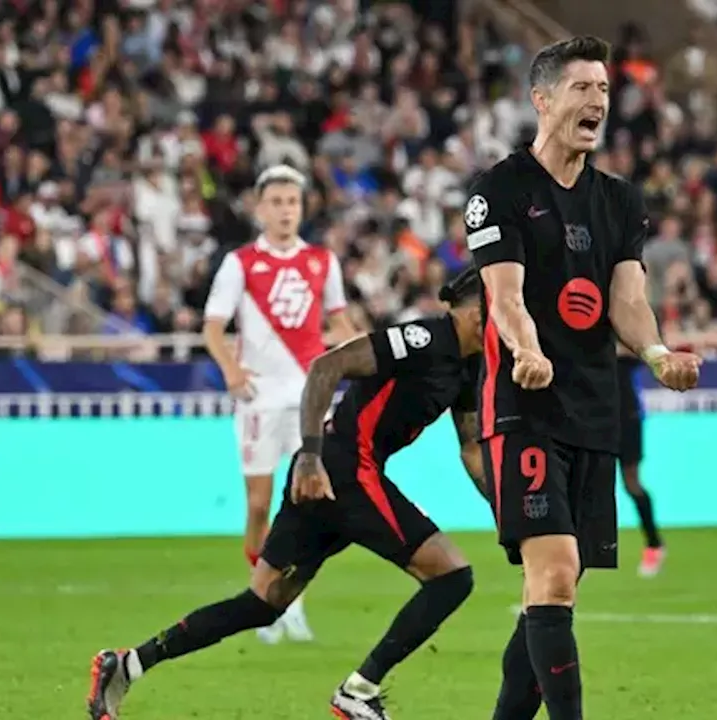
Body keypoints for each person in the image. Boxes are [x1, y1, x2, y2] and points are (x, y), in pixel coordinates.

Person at [88, 269, 485, 720]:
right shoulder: (422, 340)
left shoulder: (471, 367)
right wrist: (311, 457)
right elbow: (327, 366)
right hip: (344, 469)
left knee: (264, 601)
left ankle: (128, 665)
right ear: (478, 312)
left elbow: (471, 447)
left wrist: (509, 509)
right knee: (452, 575)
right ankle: (358, 691)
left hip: (334, 472)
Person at [466, 36, 702, 720]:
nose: (598, 101)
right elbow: (504, 297)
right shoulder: (499, 190)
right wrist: (525, 352)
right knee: (556, 574)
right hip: (525, 404)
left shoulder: (620, 201)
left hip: (595, 408)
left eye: (604, 90)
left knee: (556, 588)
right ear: (542, 101)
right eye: (582, 89)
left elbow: (628, 299)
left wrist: (657, 355)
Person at [201, 164, 356, 644]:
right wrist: (230, 368)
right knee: (259, 504)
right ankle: (259, 599)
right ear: (260, 208)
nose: (286, 210)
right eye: (277, 202)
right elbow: (212, 326)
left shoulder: (321, 262)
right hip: (259, 398)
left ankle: (293, 603)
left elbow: (340, 324)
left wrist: (366, 358)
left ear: (302, 208)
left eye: (293, 202)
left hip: (309, 399)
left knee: (308, 503)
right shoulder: (241, 263)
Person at [617, 342, 666, 576]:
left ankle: (654, 544)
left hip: (627, 417)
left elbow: (645, 349)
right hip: (593, 418)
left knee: (632, 483)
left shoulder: (625, 334)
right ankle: (587, 551)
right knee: (591, 485)